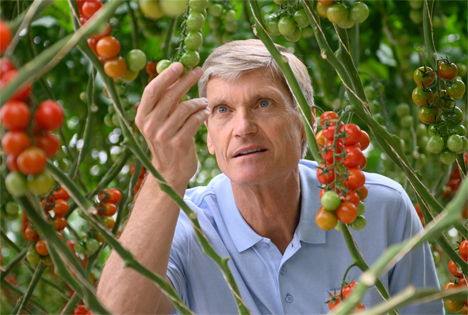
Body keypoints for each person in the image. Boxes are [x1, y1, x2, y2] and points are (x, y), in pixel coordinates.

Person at [97, 39, 443, 315]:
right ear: (208, 139)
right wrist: (166, 175)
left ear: (306, 124)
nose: (243, 128)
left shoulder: (382, 208)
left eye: (264, 103)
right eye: (222, 110)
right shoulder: (184, 225)